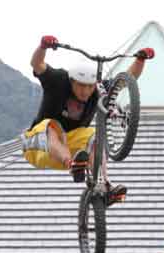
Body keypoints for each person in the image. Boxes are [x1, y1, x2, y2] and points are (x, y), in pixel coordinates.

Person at [21, 35, 154, 204]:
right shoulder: (58, 80)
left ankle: (105, 185)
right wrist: (43, 47)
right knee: (51, 125)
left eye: (89, 86)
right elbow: (37, 64)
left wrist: (140, 60)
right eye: (81, 86)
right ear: (72, 81)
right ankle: (72, 164)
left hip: (70, 146)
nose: (85, 91)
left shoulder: (98, 90)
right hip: (38, 145)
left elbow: (127, 79)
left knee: (94, 135)